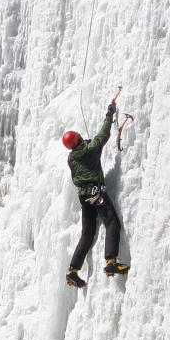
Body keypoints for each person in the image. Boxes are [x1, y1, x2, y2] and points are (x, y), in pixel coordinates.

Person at [61, 102, 129, 288]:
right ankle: (111, 262)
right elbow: (103, 135)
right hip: (95, 192)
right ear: (79, 139)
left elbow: (84, 150)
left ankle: (73, 271)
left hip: (83, 196)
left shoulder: (71, 158)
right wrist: (109, 114)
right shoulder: (90, 150)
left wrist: (87, 145)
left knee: (87, 234)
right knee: (112, 222)